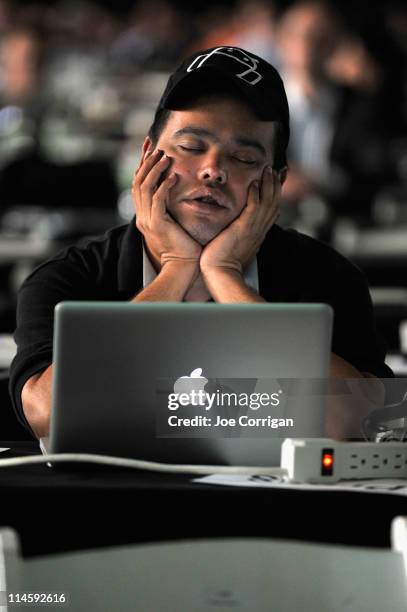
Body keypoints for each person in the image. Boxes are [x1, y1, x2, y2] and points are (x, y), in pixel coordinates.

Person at [9, 46, 392, 441]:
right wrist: (175, 272)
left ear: (276, 184)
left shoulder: (328, 278)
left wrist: (227, 280)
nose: (213, 171)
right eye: (191, 147)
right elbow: (50, 412)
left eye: (243, 157)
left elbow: (362, 422)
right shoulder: (70, 278)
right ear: (146, 157)